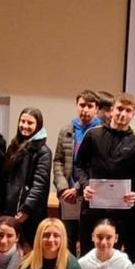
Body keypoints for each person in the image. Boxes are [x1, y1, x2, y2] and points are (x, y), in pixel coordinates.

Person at [74, 93, 135, 260]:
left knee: (114, 257)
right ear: (112, 110)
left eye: (128, 111)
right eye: (120, 109)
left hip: (120, 214)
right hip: (92, 209)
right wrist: (84, 185)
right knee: (87, 256)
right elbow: (79, 166)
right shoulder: (93, 135)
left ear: (133, 114)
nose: (123, 114)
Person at [53, 90, 101, 254]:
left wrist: (78, 188)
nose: (85, 110)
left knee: (87, 240)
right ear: (76, 106)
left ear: (97, 109)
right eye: (82, 105)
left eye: (90, 106)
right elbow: (58, 160)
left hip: (88, 194)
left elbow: (97, 166)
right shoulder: (66, 130)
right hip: (67, 195)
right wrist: (63, 187)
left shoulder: (100, 132)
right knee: (67, 239)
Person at [1, 107, 52, 244]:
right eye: (22, 121)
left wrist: (26, 209)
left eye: (30, 123)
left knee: (27, 250)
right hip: (9, 208)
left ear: (38, 126)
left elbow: (39, 185)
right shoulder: (14, 146)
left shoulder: (43, 151)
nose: (25, 126)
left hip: (28, 213)